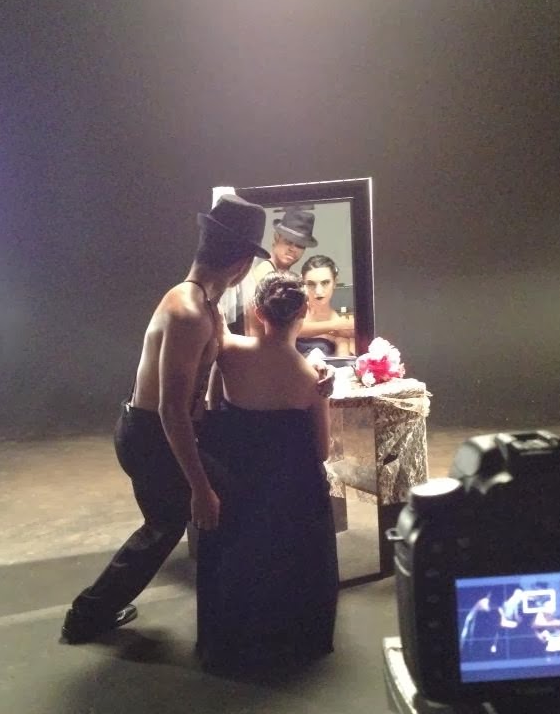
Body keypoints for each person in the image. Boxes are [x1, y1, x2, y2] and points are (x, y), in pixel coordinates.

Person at [60, 194, 271, 644]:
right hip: (150, 436)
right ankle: (87, 616)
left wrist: (302, 363)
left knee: (189, 514)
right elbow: (171, 410)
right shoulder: (187, 313)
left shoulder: (205, 305)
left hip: (160, 432)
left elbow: (228, 347)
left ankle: (224, 609)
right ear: (240, 264)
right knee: (176, 519)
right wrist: (201, 489)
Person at [195, 271, 339, 671]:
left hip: (239, 481)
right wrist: (317, 365)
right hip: (290, 491)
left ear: (258, 312)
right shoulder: (312, 379)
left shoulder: (229, 352)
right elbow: (321, 451)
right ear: (304, 310)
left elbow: (214, 406)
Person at [240, 207, 318, 335]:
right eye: (288, 241)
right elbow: (284, 326)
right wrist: (340, 325)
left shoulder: (280, 275)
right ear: (276, 237)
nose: (293, 249)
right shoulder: (266, 273)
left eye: (300, 245)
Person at [296, 255, 355, 358]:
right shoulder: (293, 311)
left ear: (335, 282)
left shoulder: (339, 325)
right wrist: (337, 325)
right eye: (311, 284)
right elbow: (289, 329)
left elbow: (342, 361)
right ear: (303, 283)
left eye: (325, 283)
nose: (318, 291)